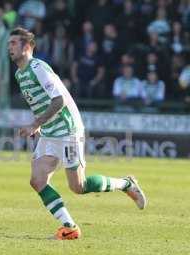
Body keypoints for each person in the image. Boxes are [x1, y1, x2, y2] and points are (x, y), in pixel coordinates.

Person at [8, 27, 147, 240]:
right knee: (37, 180)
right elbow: (40, 102)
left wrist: (36, 123)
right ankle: (69, 227)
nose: (10, 48)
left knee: (78, 186)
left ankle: (126, 184)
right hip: (49, 132)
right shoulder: (19, 74)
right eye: (9, 44)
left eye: (14, 43)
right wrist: (40, 127)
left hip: (67, 130)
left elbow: (59, 99)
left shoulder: (38, 68)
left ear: (27, 46)